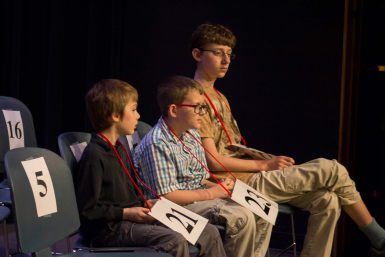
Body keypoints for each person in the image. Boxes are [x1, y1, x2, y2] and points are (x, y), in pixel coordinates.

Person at [190, 23, 385, 257]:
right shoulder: (194, 99)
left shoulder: (219, 95)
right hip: (237, 183)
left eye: (230, 54)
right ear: (197, 54)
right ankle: (379, 237)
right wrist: (263, 165)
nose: (226, 60)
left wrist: (263, 159)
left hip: (252, 175)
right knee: (332, 169)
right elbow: (213, 161)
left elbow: (231, 147)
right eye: (218, 52)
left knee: (328, 201)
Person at [76, 78, 226, 257]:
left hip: (132, 218)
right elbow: (87, 211)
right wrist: (125, 213)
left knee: (207, 231)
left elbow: (132, 192)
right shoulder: (94, 155)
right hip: (110, 229)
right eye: (133, 110)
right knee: (173, 241)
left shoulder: (120, 148)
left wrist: (147, 204)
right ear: (115, 116)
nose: (138, 116)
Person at [134, 75, 272, 257]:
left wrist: (218, 185)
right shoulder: (157, 143)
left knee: (261, 209)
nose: (203, 113)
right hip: (169, 208)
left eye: (204, 107)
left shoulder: (191, 134)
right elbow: (166, 196)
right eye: (197, 107)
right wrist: (211, 193)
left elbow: (198, 179)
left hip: (196, 198)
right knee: (241, 217)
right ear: (174, 110)